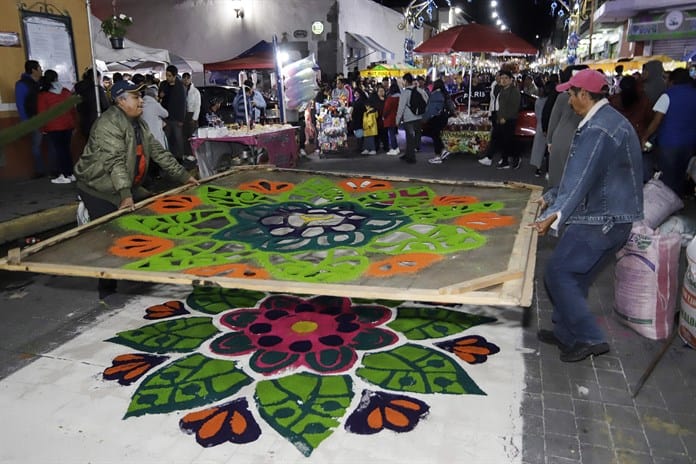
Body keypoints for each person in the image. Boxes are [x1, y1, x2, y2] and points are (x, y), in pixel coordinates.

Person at [532, 69, 643, 363]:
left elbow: (581, 178)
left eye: (571, 94)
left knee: (557, 273)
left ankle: (590, 337)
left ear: (585, 94)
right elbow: (582, 176)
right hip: (607, 216)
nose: (568, 100)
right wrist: (552, 196)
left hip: (602, 220)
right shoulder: (604, 121)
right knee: (575, 277)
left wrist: (554, 216)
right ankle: (568, 335)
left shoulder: (599, 129)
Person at [73, 80, 199, 300]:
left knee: (150, 217)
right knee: (110, 237)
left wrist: (184, 177)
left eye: (140, 96)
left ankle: (137, 271)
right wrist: (125, 196)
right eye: (135, 97)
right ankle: (107, 291)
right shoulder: (108, 124)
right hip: (98, 187)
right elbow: (114, 162)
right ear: (120, 101)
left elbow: (159, 153)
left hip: (126, 183)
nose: (142, 101)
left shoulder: (138, 124)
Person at [641, 68, 696, 195]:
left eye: (666, 79)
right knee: (681, 174)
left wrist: (645, 137)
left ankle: (666, 204)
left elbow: (656, 121)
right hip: (690, 143)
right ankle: (678, 200)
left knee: (667, 177)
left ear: (672, 81)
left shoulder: (668, 94)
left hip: (669, 143)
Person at [545, 65, 588, 187]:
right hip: (577, 141)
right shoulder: (591, 100)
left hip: (561, 140)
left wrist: (550, 140)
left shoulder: (562, 97)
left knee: (559, 180)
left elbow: (553, 119)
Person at [37, 69, 77, 184]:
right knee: (67, 150)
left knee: (59, 151)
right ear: (56, 78)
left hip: (54, 127)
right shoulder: (65, 91)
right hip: (68, 125)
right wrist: (73, 123)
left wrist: (43, 128)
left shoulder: (43, 94)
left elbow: (42, 114)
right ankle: (70, 174)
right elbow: (72, 109)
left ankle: (63, 175)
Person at [478, 70, 521, 169]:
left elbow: (515, 107)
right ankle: (503, 159)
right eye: (502, 78)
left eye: (506, 78)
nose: (504, 80)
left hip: (509, 120)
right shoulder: (501, 89)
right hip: (500, 119)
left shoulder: (514, 91)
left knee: (507, 141)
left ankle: (510, 159)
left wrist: (505, 117)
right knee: (500, 140)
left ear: (511, 80)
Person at [15, 60, 45, 176]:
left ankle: (55, 169)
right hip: (34, 120)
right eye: (39, 68)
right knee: (36, 145)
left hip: (48, 118)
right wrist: (25, 122)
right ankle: (40, 170)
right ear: (33, 70)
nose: (41, 70)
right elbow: (20, 104)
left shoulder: (42, 83)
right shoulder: (22, 85)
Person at [395, 72, 428, 164]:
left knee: (409, 138)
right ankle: (408, 153)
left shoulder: (405, 93)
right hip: (418, 118)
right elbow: (426, 100)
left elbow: (400, 108)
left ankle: (411, 157)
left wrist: (397, 120)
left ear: (405, 81)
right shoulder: (419, 90)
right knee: (415, 137)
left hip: (409, 119)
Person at [425, 79, 456, 164]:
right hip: (444, 117)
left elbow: (430, 109)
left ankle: (438, 156)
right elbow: (450, 105)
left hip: (436, 118)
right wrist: (453, 112)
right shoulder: (445, 94)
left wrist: (425, 118)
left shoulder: (435, 94)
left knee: (435, 136)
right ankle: (443, 151)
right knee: (437, 135)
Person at [160, 65, 187, 159]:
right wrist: (161, 96)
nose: (167, 78)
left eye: (169, 76)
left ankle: (180, 158)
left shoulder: (180, 87)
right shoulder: (163, 84)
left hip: (176, 118)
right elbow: (160, 98)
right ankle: (168, 158)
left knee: (178, 138)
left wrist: (181, 120)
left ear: (175, 76)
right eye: (166, 75)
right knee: (166, 138)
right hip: (166, 117)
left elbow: (183, 104)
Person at [74, 68, 110, 140]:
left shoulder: (78, 88)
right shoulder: (97, 89)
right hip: (97, 121)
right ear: (96, 77)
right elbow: (105, 105)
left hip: (84, 122)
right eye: (99, 78)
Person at [141, 84, 169, 149]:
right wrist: (159, 103)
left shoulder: (141, 104)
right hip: (156, 134)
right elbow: (166, 114)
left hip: (145, 135)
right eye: (157, 96)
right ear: (154, 95)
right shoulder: (155, 104)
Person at [182, 72, 201, 159]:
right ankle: (186, 153)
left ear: (190, 79)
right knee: (184, 135)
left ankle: (193, 153)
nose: (186, 80)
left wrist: (194, 118)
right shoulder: (181, 90)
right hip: (184, 115)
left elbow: (198, 105)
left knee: (192, 135)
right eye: (184, 78)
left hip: (192, 114)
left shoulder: (195, 91)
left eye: (187, 78)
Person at [383, 79, 401, 156]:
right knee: (394, 133)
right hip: (397, 117)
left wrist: (384, 116)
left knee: (391, 134)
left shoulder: (390, 99)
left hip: (390, 118)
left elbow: (386, 109)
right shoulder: (400, 98)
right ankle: (396, 148)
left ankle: (394, 148)